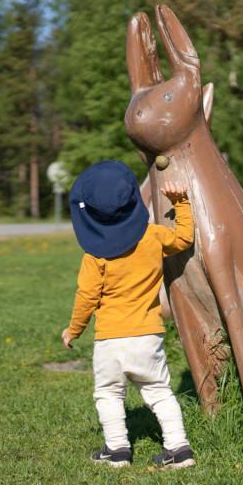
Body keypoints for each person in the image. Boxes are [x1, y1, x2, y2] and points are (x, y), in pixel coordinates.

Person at [61, 160, 196, 469]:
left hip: (110, 339)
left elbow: (87, 298)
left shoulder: (95, 256)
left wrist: (74, 329)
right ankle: (179, 449)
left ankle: (117, 450)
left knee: (108, 393)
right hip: (148, 335)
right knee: (159, 392)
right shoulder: (153, 237)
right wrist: (181, 202)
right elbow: (184, 239)